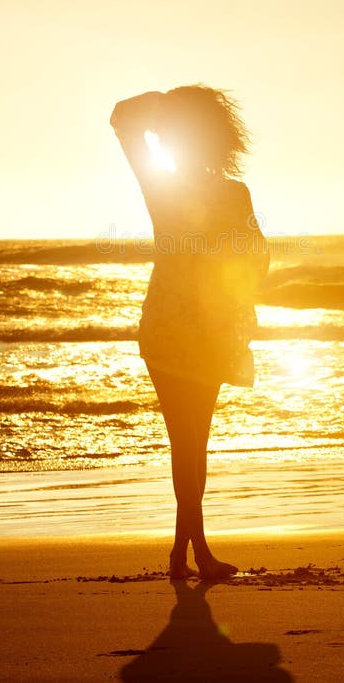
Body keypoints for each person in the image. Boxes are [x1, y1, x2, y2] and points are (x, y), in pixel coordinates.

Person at [110, 84, 269, 580]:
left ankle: (186, 552)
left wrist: (161, 109)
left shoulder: (168, 185)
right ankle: (193, 551)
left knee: (191, 440)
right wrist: (168, 104)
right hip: (190, 331)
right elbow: (254, 256)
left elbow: (122, 119)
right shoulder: (196, 188)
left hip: (185, 329)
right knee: (190, 440)